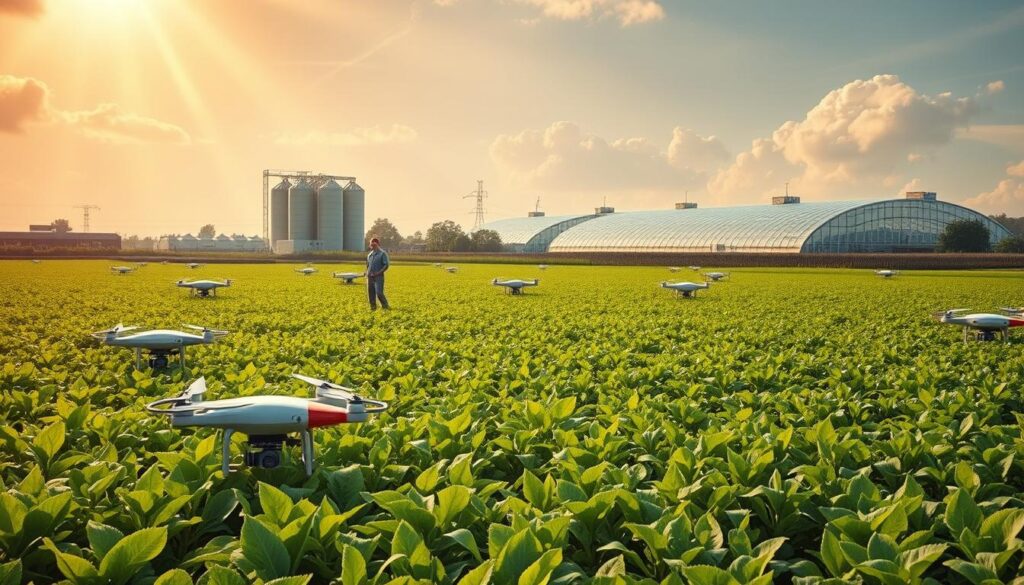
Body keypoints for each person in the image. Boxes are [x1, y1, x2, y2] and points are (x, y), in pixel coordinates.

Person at [365, 237, 390, 310]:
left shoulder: (382, 253)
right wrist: (367, 273)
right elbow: (368, 265)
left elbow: (386, 265)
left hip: (379, 277)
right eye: (371, 245)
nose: (372, 246)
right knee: (371, 293)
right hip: (370, 277)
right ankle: (373, 308)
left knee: (379, 293)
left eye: (374, 244)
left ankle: (385, 306)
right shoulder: (369, 255)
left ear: (378, 244)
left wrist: (377, 273)